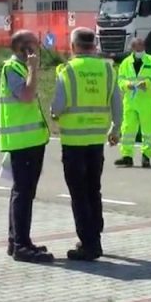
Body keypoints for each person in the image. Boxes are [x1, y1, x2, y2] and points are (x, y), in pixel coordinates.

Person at [51, 27, 122, 261]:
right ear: (94, 45)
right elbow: (117, 102)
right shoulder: (108, 69)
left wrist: (54, 113)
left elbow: (57, 107)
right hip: (96, 140)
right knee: (94, 189)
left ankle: (89, 244)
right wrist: (116, 128)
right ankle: (95, 234)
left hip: (73, 141)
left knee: (78, 194)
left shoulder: (67, 71)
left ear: (73, 46)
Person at [0, 29, 54, 263]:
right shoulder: (13, 68)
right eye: (34, 43)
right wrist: (33, 68)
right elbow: (27, 96)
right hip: (23, 142)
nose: (39, 45)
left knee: (24, 192)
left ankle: (19, 240)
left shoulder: (20, 68)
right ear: (24, 48)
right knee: (23, 193)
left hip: (32, 140)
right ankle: (21, 245)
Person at [114, 37, 151, 168]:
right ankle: (127, 156)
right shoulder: (125, 63)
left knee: (148, 130)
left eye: (142, 47)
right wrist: (126, 85)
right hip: (130, 101)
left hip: (146, 101)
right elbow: (120, 80)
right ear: (132, 48)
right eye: (137, 47)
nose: (140, 50)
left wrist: (147, 84)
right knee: (128, 129)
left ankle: (146, 156)